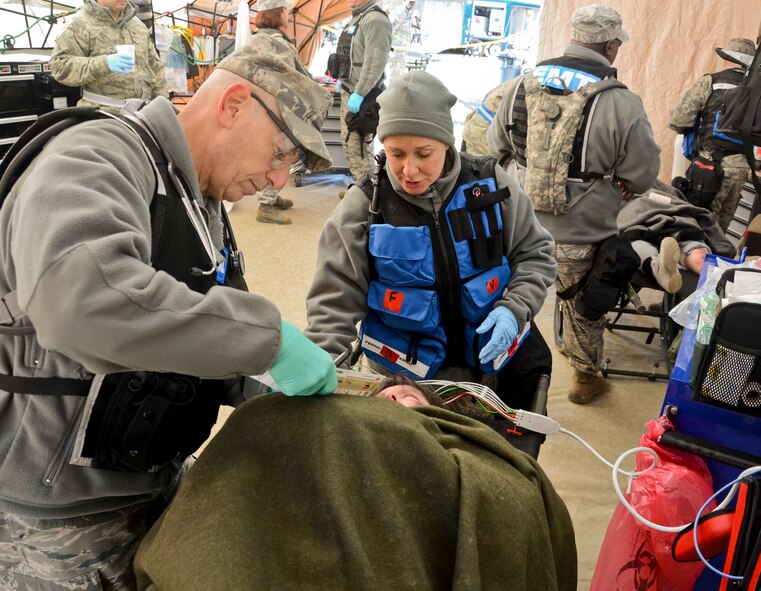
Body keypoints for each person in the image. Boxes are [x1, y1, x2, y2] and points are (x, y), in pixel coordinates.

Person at [0, 35, 337, 590]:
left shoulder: (200, 203)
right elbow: (80, 304)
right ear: (231, 105)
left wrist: (277, 384)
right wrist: (268, 342)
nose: (281, 181)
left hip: (145, 486)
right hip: (55, 521)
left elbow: (201, 337)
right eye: (282, 154)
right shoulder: (94, 157)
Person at [305, 71, 556, 432]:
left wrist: (515, 308)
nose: (409, 169)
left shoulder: (491, 186)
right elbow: (332, 305)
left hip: (482, 384)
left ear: (448, 144)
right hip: (398, 387)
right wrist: (326, 371)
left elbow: (536, 254)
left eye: (424, 153)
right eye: (395, 153)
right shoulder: (364, 206)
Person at [133, 391, 577, 590]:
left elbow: (512, 495)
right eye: (385, 397)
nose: (393, 402)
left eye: (408, 399)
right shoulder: (335, 418)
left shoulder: (447, 442)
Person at [487, 3, 660, 405]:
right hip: (582, 227)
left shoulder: (520, 84)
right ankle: (584, 377)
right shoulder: (621, 101)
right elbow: (642, 174)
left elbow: (495, 147)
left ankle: (492, 364)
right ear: (611, 44)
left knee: (506, 293)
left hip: (516, 221)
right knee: (582, 302)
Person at [668, 37, 757, 233]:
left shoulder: (711, 82)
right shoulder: (757, 92)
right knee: (719, 232)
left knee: (697, 228)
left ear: (728, 59)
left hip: (709, 168)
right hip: (742, 169)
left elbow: (680, 120)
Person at [49, 0, 168, 113]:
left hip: (142, 112)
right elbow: (59, 66)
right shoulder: (79, 24)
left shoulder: (136, 24)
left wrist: (163, 104)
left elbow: (156, 68)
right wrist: (104, 63)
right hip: (101, 114)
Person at [618, 180, 736, 293]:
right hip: (672, 212)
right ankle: (724, 278)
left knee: (635, 239)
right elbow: (674, 194)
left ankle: (656, 265)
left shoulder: (609, 179)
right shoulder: (640, 173)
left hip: (637, 215)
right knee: (691, 244)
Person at [251, 0, 303, 225]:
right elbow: (293, 80)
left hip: (261, 108)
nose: (288, 15)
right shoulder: (278, 43)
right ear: (276, 14)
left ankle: (270, 197)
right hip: (277, 110)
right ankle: (265, 205)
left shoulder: (258, 38)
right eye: (285, 11)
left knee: (270, 154)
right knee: (277, 155)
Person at [331, 0, 392, 183]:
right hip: (351, 91)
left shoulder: (375, 20)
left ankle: (368, 198)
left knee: (360, 150)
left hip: (364, 97)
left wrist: (360, 91)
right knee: (351, 146)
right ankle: (361, 187)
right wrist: (344, 80)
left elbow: (375, 62)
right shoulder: (358, 18)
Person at [386, 0, 417, 82]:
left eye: (413, 2)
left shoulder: (407, 12)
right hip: (396, 51)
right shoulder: (399, 12)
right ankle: (391, 94)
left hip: (402, 50)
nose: (412, 4)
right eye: (410, 2)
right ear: (404, 1)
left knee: (400, 76)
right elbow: (389, 29)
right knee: (394, 76)